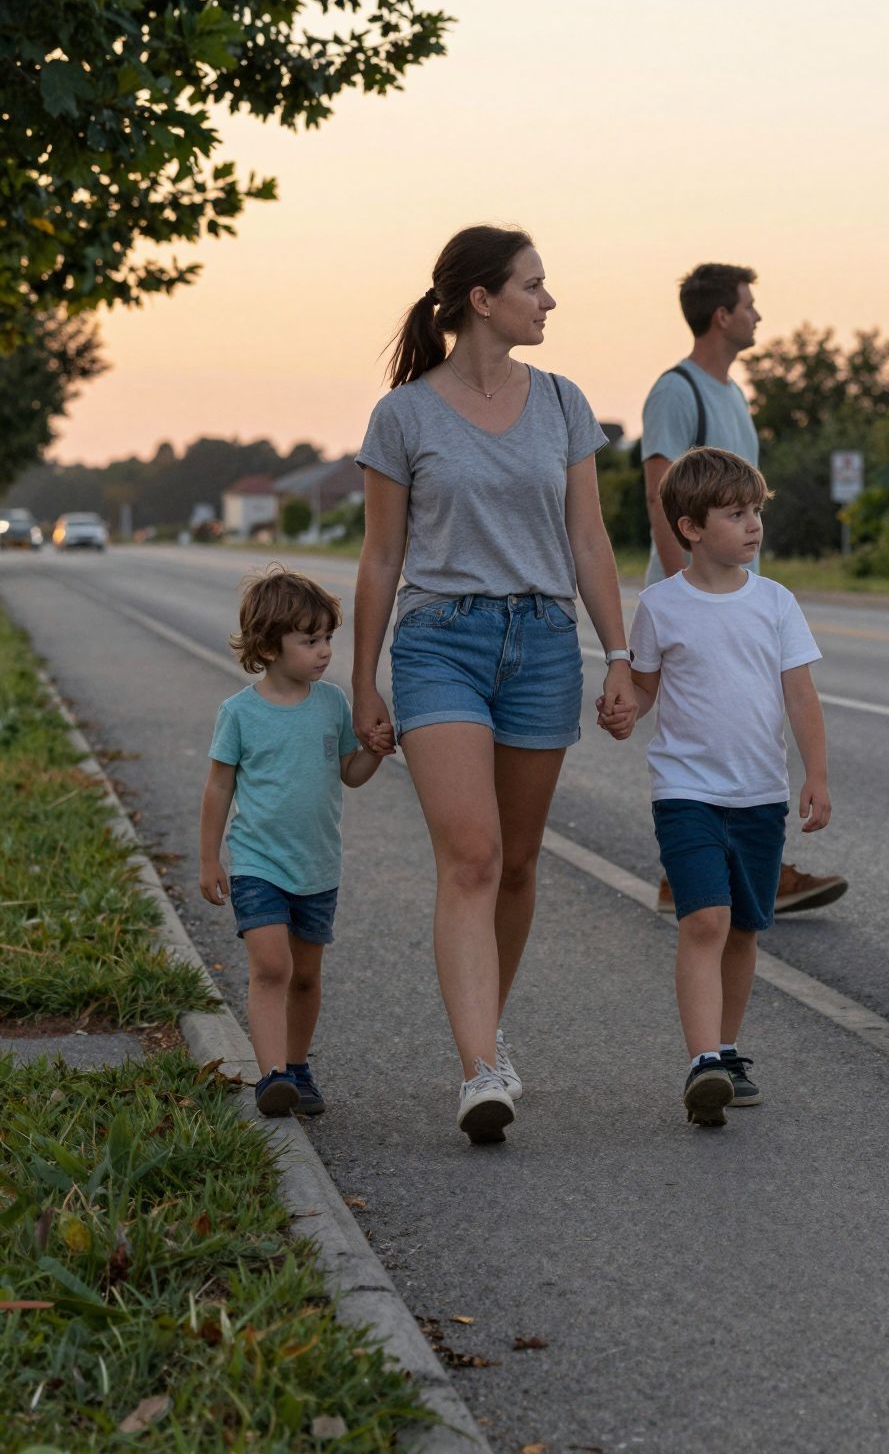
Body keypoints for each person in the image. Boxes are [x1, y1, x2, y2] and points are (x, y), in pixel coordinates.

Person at [351, 225, 636, 1144]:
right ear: (482, 299)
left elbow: (590, 542)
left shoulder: (560, 402)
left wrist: (620, 656)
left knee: (516, 862)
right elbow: (381, 556)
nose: (549, 302)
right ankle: (479, 1068)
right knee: (470, 856)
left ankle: (489, 1033)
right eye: (534, 286)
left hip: (545, 641)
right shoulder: (404, 417)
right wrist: (363, 685)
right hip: (441, 641)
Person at [603, 447, 832, 1126]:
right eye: (737, 514)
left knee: (743, 930)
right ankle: (702, 1059)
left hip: (759, 794)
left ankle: (727, 1052)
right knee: (705, 918)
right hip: (686, 792)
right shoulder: (663, 605)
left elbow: (802, 694)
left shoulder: (775, 603)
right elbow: (645, 686)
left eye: (756, 510)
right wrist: (625, 710)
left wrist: (815, 772)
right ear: (692, 527)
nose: (754, 525)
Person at [641, 261, 846, 916]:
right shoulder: (678, 390)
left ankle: (741, 867)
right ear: (721, 315)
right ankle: (704, 870)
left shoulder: (732, 393)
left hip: (738, 589)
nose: (759, 316)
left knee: (743, 723)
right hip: (691, 590)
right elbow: (659, 487)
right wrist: (686, 588)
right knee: (702, 732)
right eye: (750, 305)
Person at [199, 567, 384, 1116]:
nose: (325, 651)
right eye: (310, 640)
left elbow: (350, 772)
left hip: (317, 865)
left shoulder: (330, 705)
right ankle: (272, 1075)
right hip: (259, 863)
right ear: (268, 646)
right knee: (272, 967)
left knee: (305, 975)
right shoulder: (239, 713)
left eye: (328, 638)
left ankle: (298, 1069)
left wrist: (374, 748)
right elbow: (217, 788)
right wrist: (210, 859)